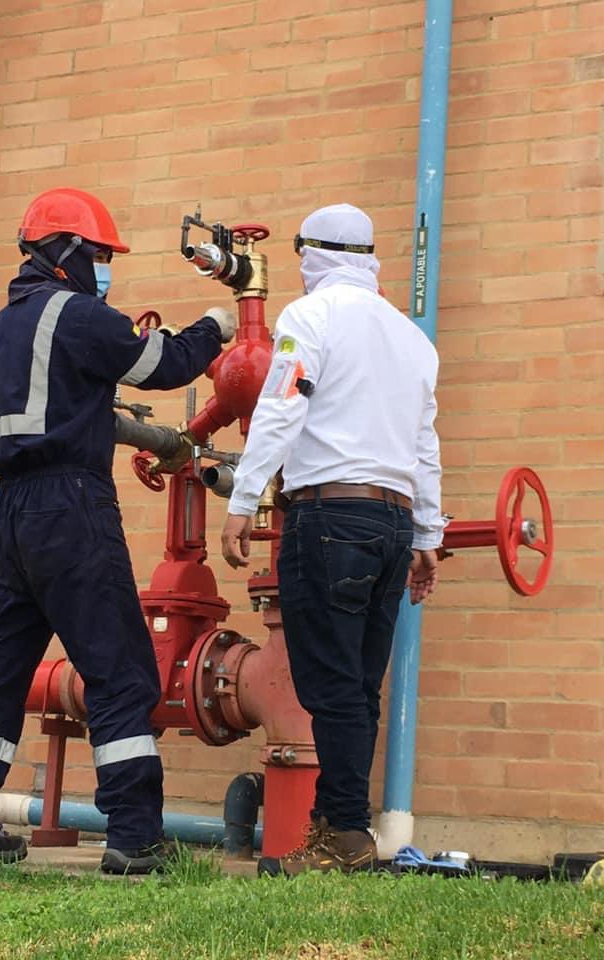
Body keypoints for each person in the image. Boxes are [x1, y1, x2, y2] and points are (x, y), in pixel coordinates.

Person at [0, 187, 236, 874]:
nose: (104, 267)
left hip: (8, 512)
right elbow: (167, 366)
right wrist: (218, 325)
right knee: (121, 670)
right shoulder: (79, 316)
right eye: (98, 254)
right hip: (72, 505)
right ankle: (133, 838)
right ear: (64, 253)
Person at [221, 203, 443, 877]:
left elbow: (282, 404)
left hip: (328, 518)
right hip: (393, 521)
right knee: (359, 686)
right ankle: (336, 830)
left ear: (314, 254)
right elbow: (424, 444)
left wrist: (241, 500)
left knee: (331, 685)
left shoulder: (308, 317)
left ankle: (344, 835)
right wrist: (427, 532)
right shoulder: (412, 339)